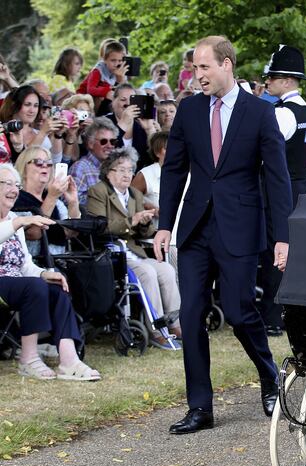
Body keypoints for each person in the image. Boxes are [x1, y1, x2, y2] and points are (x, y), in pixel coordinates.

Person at [154, 36, 293, 434]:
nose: (197, 76)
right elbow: (174, 170)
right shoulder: (190, 110)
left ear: (226, 64)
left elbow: (278, 178)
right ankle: (200, 406)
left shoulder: (259, 113)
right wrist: (165, 224)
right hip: (195, 228)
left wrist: (282, 235)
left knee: (238, 311)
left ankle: (270, 377)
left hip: (240, 228)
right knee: (193, 313)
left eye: (204, 67)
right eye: (194, 69)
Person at [0, 163, 100, 381]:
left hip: (17, 283)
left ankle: (69, 360)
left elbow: (25, 265)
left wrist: (45, 274)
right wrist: (20, 221)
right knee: (33, 286)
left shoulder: (11, 220)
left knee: (56, 286)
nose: (14, 189)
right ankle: (28, 359)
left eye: (16, 185)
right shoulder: (15, 223)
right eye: (7, 183)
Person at [86, 147, 181, 350]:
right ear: (108, 172)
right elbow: (99, 227)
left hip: (133, 250)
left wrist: (145, 223)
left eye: (130, 170)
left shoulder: (135, 194)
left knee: (166, 269)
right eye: (121, 170)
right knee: (147, 272)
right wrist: (132, 220)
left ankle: (175, 324)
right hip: (111, 251)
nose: (127, 174)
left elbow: (143, 234)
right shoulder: (98, 191)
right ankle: (156, 330)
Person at [260, 44, 306, 337]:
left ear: (285, 80)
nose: (266, 82)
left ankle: (272, 316)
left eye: (271, 78)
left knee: (276, 252)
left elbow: (265, 154)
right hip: (300, 189)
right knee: (291, 253)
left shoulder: (283, 113)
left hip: (280, 191)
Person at [12, 146, 80, 258]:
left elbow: (71, 232)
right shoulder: (16, 198)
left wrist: (73, 202)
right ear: (24, 168)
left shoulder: (57, 203)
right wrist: (51, 197)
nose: (45, 166)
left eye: (49, 163)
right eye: (38, 162)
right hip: (33, 264)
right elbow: (33, 234)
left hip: (59, 263)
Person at [68, 116, 119, 205]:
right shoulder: (80, 168)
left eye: (113, 141)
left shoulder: (116, 168)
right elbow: (69, 201)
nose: (109, 146)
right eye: (103, 141)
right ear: (90, 143)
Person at [77, 40, 128, 116]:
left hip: (101, 103)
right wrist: (106, 92)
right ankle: (95, 119)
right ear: (104, 59)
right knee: (101, 97)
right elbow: (90, 89)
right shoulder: (98, 70)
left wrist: (120, 80)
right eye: (113, 60)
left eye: (120, 60)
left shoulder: (119, 71)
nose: (116, 64)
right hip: (82, 99)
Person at [131, 131, 169, 229]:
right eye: (167, 148)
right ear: (157, 152)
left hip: (180, 239)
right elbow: (128, 200)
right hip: (152, 238)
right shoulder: (145, 174)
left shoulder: (187, 174)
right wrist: (147, 206)